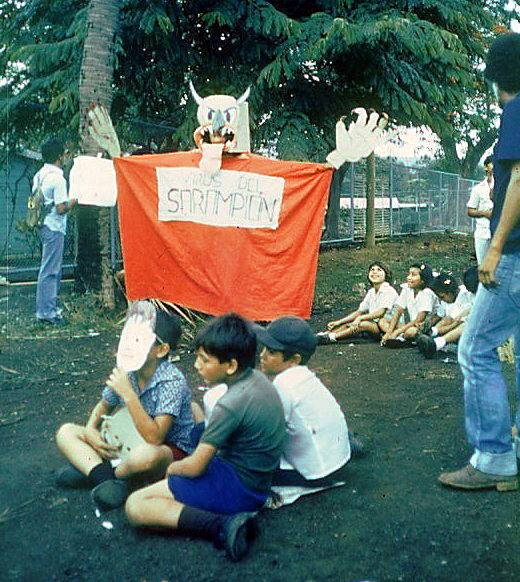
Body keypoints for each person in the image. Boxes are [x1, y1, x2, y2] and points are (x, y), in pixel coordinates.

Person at [124, 313, 286, 561]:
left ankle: (222, 525)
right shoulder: (258, 380)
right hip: (257, 478)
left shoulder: (230, 404)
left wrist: (171, 470)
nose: (197, 365)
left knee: (135, 505)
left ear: (231, 366)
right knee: (194, 411)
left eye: (204, 360)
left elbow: (197, 466)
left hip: (240, 488)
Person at [438, 33, 520, 491]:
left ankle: (493, 458)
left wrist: (494, 245)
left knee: (474, 350)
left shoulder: (516, 110)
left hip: (515, 256)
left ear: (495, 79)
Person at [55, 304, 195, 509]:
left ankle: (98, 473)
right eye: (128, 337)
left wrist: (128, 394)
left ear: (162, 349)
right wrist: (90, 429)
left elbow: (155, 438)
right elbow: (102, 407)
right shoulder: (129, 370)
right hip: (124, 444)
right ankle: (106, 480)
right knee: (66, 432)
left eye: (138, 339)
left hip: (165, 451)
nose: (129, 344)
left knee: (145, 456)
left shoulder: (172, 381)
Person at [255, 316, 353, 489]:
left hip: (317, 473)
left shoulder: (283, 384)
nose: (262, 355)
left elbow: (264, 434)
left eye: (271, 352)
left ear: (294, 359)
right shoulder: (304, 376)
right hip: (338, 459)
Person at [34, 138, 77, 325]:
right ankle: (46, 313)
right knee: (50, 270)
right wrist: (74, 201)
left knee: (50, 269)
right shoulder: (58, 179)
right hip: (54, 227)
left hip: (43, 224)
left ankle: (48, 308)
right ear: (60, 156)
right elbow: (61, 208)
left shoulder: (39, 175)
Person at [316, 262, 397, 344]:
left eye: (379, 270)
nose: (374, 272)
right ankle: (326, 334)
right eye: (372, 270)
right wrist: (339, 322)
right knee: (350, 323)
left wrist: (360, 318)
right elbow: (359, 311)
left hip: (387, 326)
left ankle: (332, 337)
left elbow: (380, 313)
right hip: (376, 325)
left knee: (362, 324)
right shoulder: (371, 291)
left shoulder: (388, 290)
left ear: (386, 275)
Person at [416, 271, 475, 358]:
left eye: (442, 297)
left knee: (459, 323)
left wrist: (441, 329)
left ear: (450, 292)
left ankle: (435, 343)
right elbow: (442, 316)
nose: (442, 300)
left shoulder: (467, 295)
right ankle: (431, 335)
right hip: (454, 328)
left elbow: (458, 321)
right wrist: (429, 325)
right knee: (447, 319)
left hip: (466, 330)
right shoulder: (447, 301)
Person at [381, 263, 439, 347]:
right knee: (383, 321)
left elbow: (419, 320)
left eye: (413, 275)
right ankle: (399, 337)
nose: (408, 278)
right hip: (411, 325)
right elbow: (398, 311)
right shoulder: (407, 288)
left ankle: (403, 340)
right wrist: (388, 332)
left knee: (411, 332)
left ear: (423, 280)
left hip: (423, 326)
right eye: (409, 274)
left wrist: (396, 332)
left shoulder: (427, 293)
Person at [467, 155, 494, 265]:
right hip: (482, 232)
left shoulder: (504, 186)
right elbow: (470, 210)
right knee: (482, 265)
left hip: (498, 232)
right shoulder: (478, 189)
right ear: (486, 167)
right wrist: (484, 213)